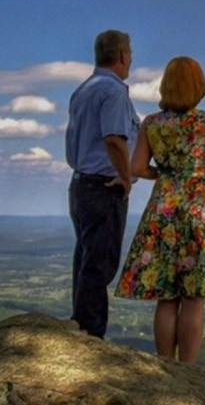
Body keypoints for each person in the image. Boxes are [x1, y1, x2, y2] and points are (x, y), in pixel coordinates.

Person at [114, 56, 205, 363]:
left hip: (163, 208)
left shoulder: (152, 123)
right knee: (194, 295)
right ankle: (188, 371)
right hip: (199, 209)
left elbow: (136, 166)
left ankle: (165, 365)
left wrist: (165, 174)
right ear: (198, 86)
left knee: (166, 294)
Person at [65, 30, 140, 338]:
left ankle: (80, 324)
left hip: (81, 185)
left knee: (86, 257)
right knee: (99, 264)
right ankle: (90, 335)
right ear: (122, 55)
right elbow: (113, 138)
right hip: (104, 186)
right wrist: (125, 176)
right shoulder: (113, 92)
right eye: (131, 53)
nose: (131, 59)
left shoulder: (83, 90)